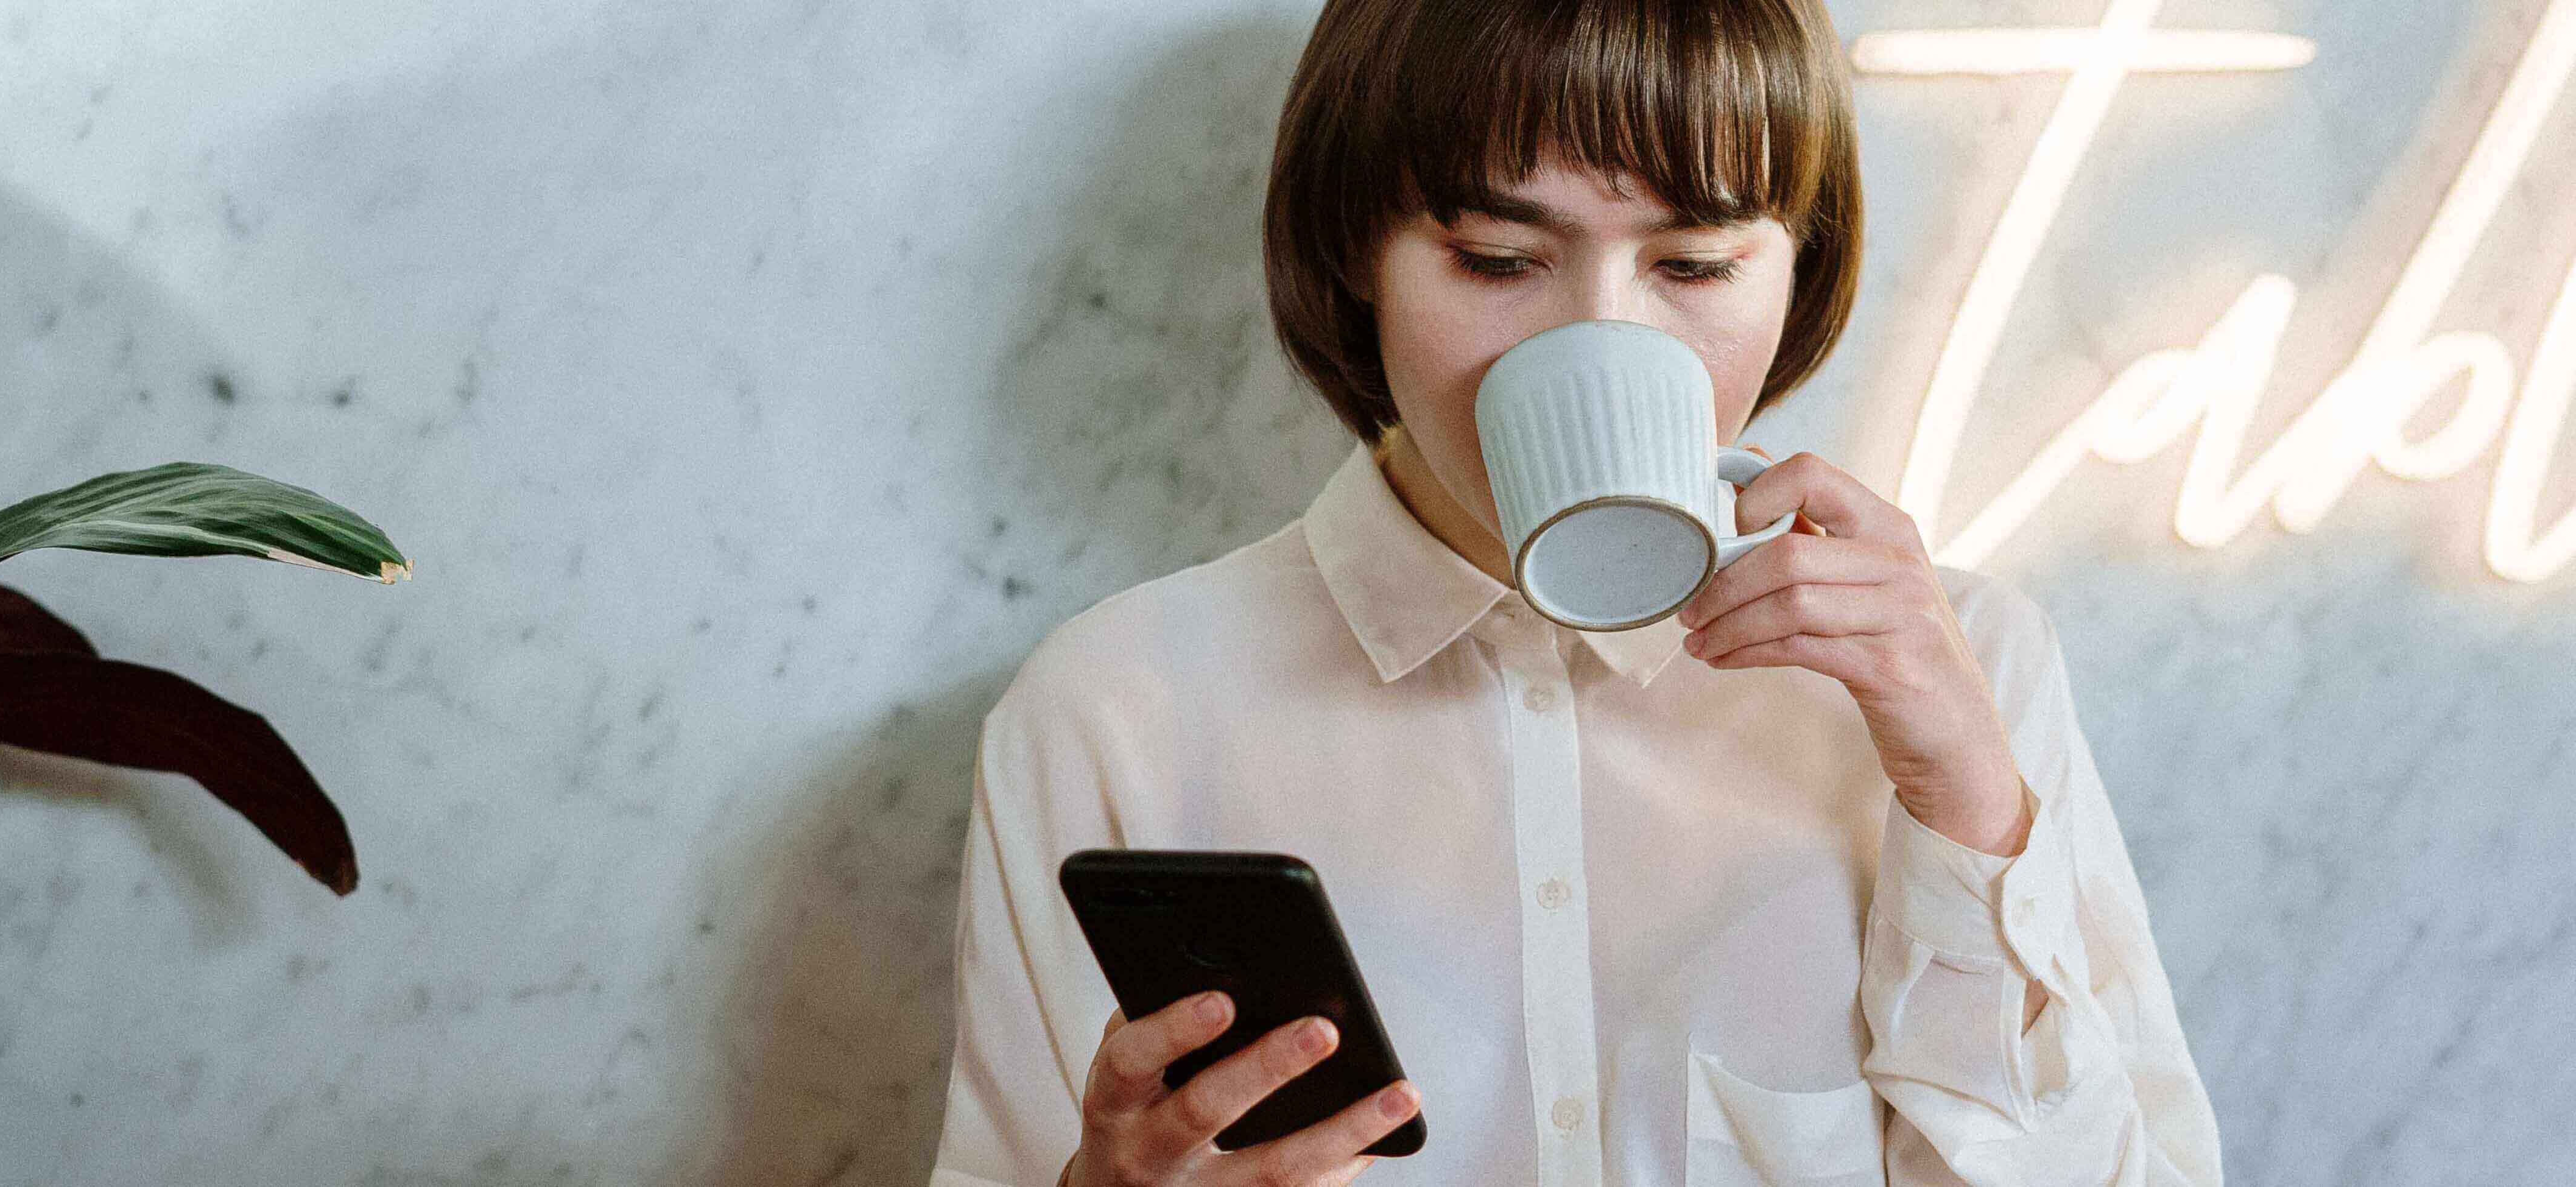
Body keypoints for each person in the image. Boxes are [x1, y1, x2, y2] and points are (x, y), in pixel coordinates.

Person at [926, 0, 2221, 1183]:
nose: (1600, 337)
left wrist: (1969, 814)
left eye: (1694, 265)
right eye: (1498, 259)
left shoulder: (1959, 667)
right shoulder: (1119, 709)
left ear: (1798, 268)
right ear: (1354, 255)